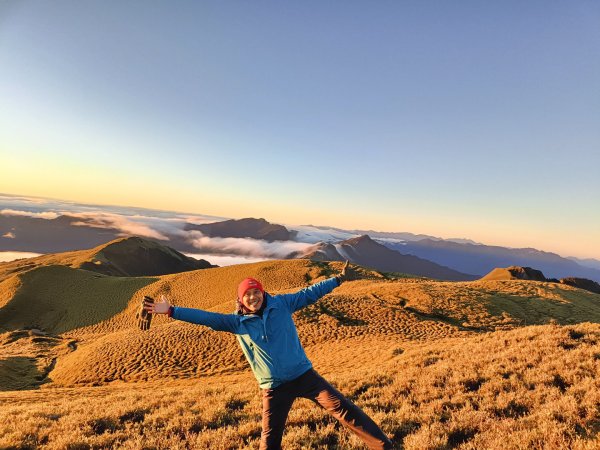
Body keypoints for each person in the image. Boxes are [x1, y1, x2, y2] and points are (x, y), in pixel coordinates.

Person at [140, 261, 394, 450]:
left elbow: (310, 293)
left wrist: (338, 280)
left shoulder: (282, 304)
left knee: (344, 409)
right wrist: (171, 310)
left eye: (256, 292)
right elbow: (205, 317)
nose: (253, 297)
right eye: (247, 294)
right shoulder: (236, 323)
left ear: (263, 292)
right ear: (241, 300)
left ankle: (383, 446)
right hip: (274, 388)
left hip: (305, 376)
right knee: (270, 441)